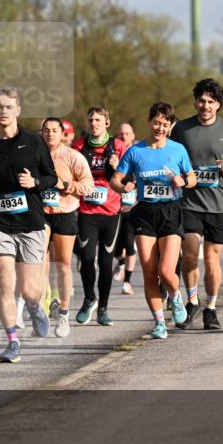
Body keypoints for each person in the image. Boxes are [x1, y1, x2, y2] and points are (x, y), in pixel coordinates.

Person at [0, 87, 57, 363]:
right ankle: (12, 341)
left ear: (18, 110)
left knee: (29, 289)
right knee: (4, 283)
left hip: (30, 223)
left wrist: (34, 183)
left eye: (8, 107)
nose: (3, 111)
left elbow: (51, 178)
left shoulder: (34, 142)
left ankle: (35, 306)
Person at [110, 102, 195, 339]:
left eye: (165, 124)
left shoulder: (178, 150)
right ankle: (159, 323)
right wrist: (123, 184)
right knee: (149, 272)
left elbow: (192, 178)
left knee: (166, 271)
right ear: (149, 122)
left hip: (171, 212)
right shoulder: (136, 151)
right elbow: (115, 180)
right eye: (156, 122)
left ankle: (176, 297)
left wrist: (183, 182)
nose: (160, 128)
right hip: (145, 213)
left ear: (170, 127)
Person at [169, 78, 223, 331]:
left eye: (211, 101)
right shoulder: (181, 129)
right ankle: (192, 301)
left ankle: (211, 308)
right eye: (201, 100)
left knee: (212, 260)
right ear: (195, 102)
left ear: (218, 105)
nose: (205, 105)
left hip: (220, 205)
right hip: (189, 203)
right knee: (189, 255)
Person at [72, 106, 127, 326]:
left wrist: (118, 168)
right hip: (87, 211)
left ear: (107, 122)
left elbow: (129, 176)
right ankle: (89, 298)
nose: (94, 123)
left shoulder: (119, 146)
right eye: (91, 119)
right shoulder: (78, 146)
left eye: (98, 119)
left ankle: (103, 308)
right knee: (86, 259)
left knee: (106, 262)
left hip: (111, 211)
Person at [40, 117, 93, 337]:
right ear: (41, 133)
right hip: (40, 214)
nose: (50, 134)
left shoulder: (73, 157)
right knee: (38, 263)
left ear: (63, 134)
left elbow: (88, 186)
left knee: (63, 265)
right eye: (46, 130)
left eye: (54, 130)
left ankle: (63, 313)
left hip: (65, 213)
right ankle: (41, 312)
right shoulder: (34, 155)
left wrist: (67, 186)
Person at [112, 122, 139, 295]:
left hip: (132, 207)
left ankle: (127, 282)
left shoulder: (138, 154)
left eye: (127, 134)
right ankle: (120, 262)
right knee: (114, 247)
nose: (124, 136)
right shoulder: (113, 155)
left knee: (129, 245)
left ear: (133, 136)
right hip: (114, 207)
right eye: (121, 134)